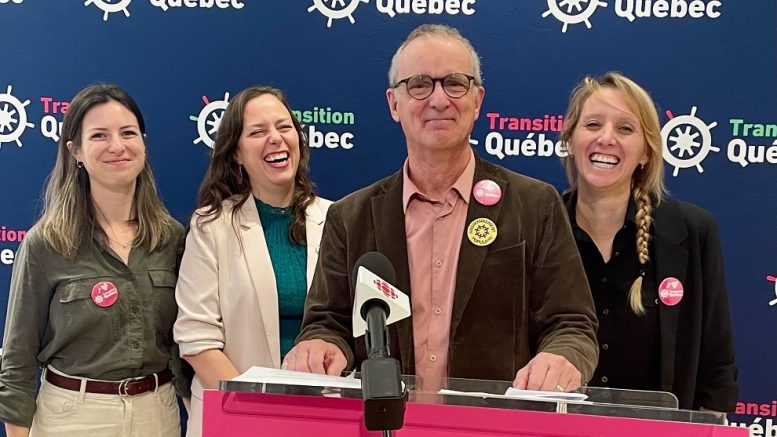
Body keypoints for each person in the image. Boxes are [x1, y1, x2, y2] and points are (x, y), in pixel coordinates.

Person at [284, 24, 598, 392]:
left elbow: (572, 325)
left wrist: (563, 356)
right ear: (394, 104)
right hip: (384, 420)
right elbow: (327, 323)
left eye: (454, 83)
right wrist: (321, 346)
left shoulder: (535, 205)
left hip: (494, 420)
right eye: (419, 84)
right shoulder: (349, 217)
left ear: (477, 101)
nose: (438, 99)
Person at [0, 84, 185, 437]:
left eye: (128, 133)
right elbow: (17, 361)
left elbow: (183, 346)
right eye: (99, 135)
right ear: (76, 151)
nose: (117, 146)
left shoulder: (171, 238)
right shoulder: (47, 243)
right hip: (73, 418)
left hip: (157, 414)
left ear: (143, 143)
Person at [559, 72, 737, 411]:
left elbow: (717, 363)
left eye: (625, 129)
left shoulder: (692, 231)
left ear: (646, 152)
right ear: (570, 139)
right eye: (593, 125)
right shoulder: (541, 226)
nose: (606, 138)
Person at [174, 86, 332, 436]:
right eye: (258, 132)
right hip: (238, 418)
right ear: (236, 153)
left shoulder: (337, 220)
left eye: (284, 127)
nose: (275, 138)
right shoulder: (211, 227)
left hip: (321, 416)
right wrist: (257, 413)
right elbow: (197, 340)